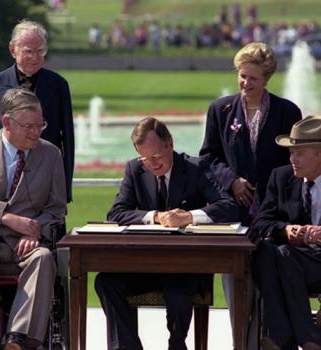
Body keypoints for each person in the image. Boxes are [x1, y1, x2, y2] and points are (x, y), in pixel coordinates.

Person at [95, 117, 239, 350]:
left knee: (178, 286)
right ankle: (127, 347)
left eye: (156, 157)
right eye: (145, 158)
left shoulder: (196, 168)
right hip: (145, 265)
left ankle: (176, 344)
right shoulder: (135, 169)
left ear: (169, 144)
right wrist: (155, 216)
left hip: (186, 266)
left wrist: (190, 216)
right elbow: (116, 213)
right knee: (105, 281)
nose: (151, 164)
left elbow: (228, 207)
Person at [199, 41, 302, 347]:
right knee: (236, 284)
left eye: (252, 78)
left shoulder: (287, 112)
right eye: (242, 76)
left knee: (270, 283)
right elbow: (208, 157)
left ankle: (271, 341)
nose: (245, 83)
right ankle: (240, 343)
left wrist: (272, 196)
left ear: (266, 79)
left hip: (275, 216)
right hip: (234, 215)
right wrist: (231, 181)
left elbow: (294, 163)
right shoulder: (221, 110)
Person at [0, 88, 66, 350]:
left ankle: (18, 339)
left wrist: (33, 231)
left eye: (41, 125)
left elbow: (56, 208)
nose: (37, 132)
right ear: (7, 123)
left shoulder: (51, 154)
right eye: (29, 126)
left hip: (27, 246)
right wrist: (7, 218)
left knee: (44, 259)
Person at [0, 19, 74, 202]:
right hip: (2, 184)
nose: (35, 57)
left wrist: (64, 190)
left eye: (40, 51)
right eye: (28, 51)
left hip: (45, 179)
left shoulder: (59, 85)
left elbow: (67, 140)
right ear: (12, 49)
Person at [252, 116, 321, 350]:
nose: (292, 159)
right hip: (292, 260)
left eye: (299, 153)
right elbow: (260, 223)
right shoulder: (281, 177)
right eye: (291, 152)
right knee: (271, 250)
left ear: (320, 154)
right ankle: (307, 339)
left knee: (281, 256)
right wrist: (286, 229)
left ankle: (282, 337)